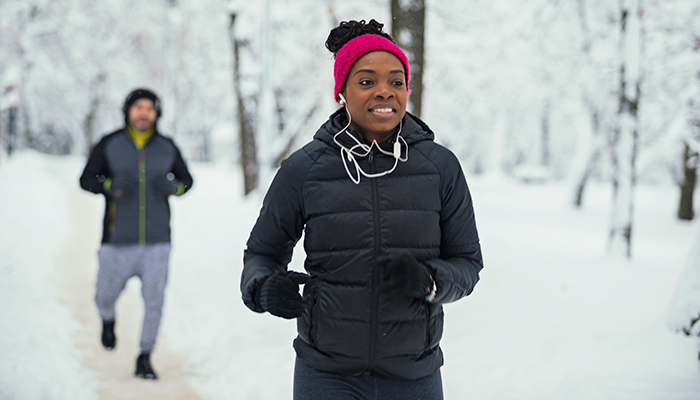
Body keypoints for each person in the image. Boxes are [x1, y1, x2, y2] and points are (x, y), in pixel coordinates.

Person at [241, 19, 483, 399]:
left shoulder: (440, 168)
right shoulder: (304, 170)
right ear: (342, 91)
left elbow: (467, 262)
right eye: (367, 81)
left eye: (396, 81)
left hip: (413, 376)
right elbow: (262, 254)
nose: (384, 92)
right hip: (326, 375)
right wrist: (264, 288)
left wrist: (432, 282)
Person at [79, 88, 193, 380]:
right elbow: (86, 179)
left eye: (150, 108)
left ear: (157, 114)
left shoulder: (167, 146)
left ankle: (145, 355)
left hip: (158, 242)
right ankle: (108, 319)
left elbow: (186, 181)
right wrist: (109, 186)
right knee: (104, 296)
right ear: (128, 111)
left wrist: (174, 188)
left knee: (155, 300)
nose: (144, 113)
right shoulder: (110, 143)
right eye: (138, 107)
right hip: (117, 241)